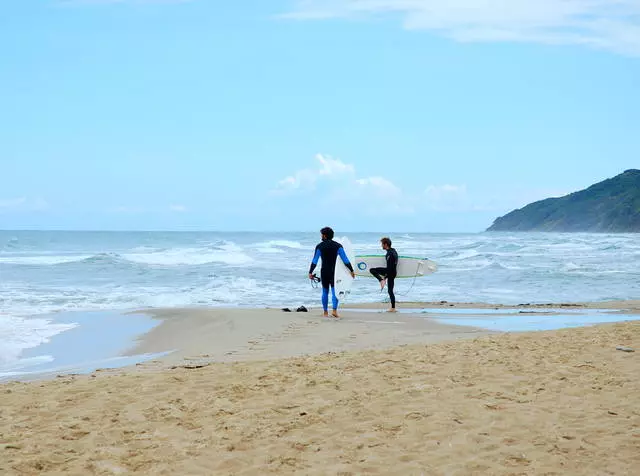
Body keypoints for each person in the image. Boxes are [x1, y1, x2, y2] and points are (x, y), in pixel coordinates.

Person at [308, 226, 355, 318]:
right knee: (335, 291)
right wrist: (351, 270)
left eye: (322, 234)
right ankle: (334, 311)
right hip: (335, 273)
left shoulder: (319, 246)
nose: (321, 236)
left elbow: (315, 260)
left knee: (325, 292)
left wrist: (310, 272)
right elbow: (345, 260)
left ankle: (325, 313)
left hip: (324, 271)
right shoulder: (338, 246)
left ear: (325, 236)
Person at [369, 236, 398, 312]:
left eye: (382, 244)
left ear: (385, 244)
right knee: (390, 291)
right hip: (393, 272)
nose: (381, 246)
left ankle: (380, 280)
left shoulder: (389, 254)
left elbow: (390, 267)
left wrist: (385, 277)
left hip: (389, 271)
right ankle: (393, 308)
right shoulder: (394, 251)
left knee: (372, 270)